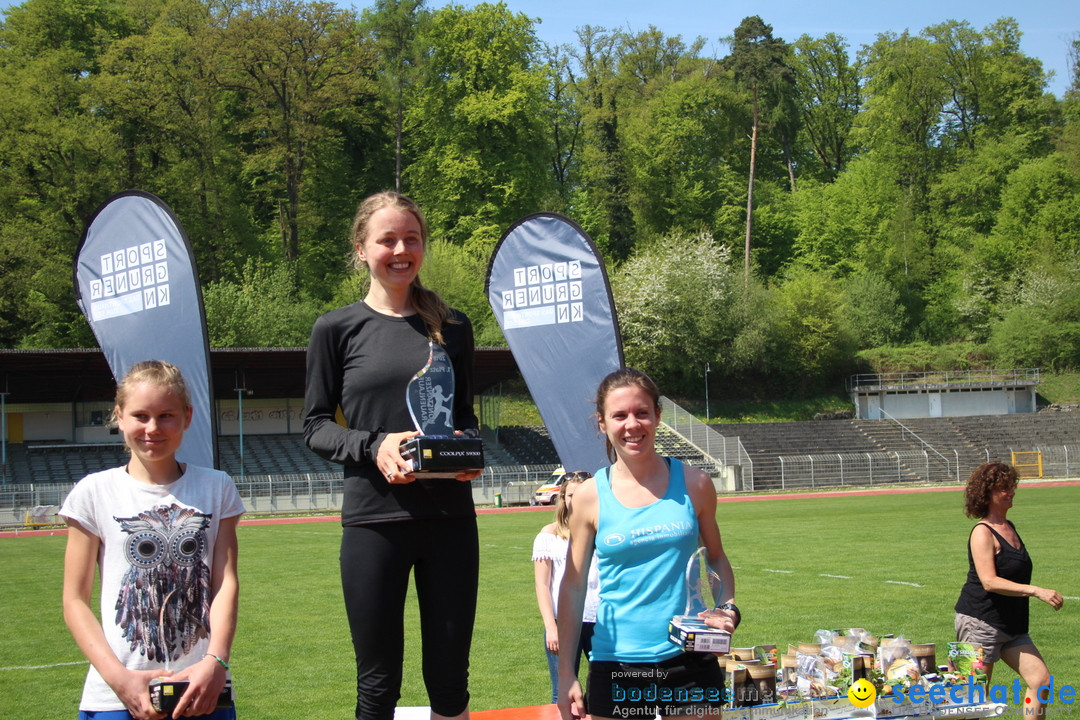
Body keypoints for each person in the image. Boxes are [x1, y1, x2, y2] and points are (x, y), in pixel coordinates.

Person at [303, 191, 481, 720]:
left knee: (450, 682)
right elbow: (314, 427)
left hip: (449, 520)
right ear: (361, 248)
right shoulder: (335, 329)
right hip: (373, 523)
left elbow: (464, 415)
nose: (400, 249)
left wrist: (466, 452)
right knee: (378, 687)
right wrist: (372, 444)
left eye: (412, 238)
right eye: (387, 240)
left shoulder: (454, 326)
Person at [60, 360, 243, 720]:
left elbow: (225, 583)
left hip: (203, 687)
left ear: (187, 417)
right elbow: (74, 600)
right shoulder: (94, 492)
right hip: (116, 695)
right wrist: (120, 680)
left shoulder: (216, 486)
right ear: (119, 416)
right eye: (140, 415)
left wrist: (216, 660)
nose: (153, 428)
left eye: (167, 415)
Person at [556, 368, 738, 720]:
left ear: (657, 415)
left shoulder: (695, 483)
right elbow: (574, 586)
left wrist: (727, 608)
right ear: (602, 423)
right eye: (619, 415)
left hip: (690, 659)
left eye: (641, 412)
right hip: (617, 662)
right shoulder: (589, 496)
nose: (632, 424)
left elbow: (716, 558)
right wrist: (566, 672)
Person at [954, 461, 1064, 717]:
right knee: (973, 699)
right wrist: (1036, 590)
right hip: (979, 622)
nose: (1012, 492)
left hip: (1011, 625)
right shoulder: (982, 532)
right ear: (988, 494)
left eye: (1012, 486)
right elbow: (989, 581)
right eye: (1004, 488)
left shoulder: (1009, 527)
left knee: (1041, 682)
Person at [532, 471, 600, 704]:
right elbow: (542, 585)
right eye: (572, 495)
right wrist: (551, 627)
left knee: (603, 691)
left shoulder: (603, 533)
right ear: (563, 497)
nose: (577, 500)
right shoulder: (548, 535)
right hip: (564, 622)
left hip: (601, 621)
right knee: (562, 692)